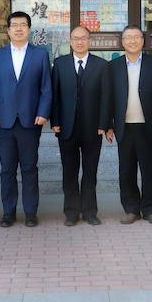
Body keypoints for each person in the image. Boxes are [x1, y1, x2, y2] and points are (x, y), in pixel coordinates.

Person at [0, 11, 52, 227]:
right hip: (3, 122)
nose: (18, 28)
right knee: (7, 169)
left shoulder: (40, 54)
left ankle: (31, 212)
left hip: (30, 121)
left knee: (29, 168)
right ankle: (8, 212)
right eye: (14, 25)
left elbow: (46, 88)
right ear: (8, 30)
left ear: (29, 29)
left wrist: (43, 112)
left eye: (22, 25)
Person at [103, 25, 152, 225]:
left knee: (150, 170)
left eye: (136, 37)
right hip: (123, 126)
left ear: (143, 40)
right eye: (128, 37)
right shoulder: (113, 66)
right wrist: (108, 124)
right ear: (122, 42)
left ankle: (150, 209)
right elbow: (108, 97)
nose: (132, 41)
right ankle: (131, 209)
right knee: (126, 170)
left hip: (149, 126)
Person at [50, 26, 110, 226]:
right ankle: (71, 212)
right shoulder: (60, 64)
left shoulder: (101, 65)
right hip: (66, 128)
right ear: (70, 41)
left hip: (93, 128)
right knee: (70, 172)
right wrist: (55, 121)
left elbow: (106, 97)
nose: (79, 41)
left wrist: (104, 123)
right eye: (75, 38)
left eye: (83, 38)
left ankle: (90, 212)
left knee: (90, 172)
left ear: (89, 41)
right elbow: (55, 95)